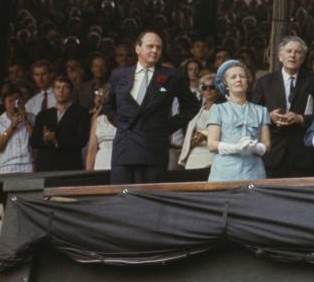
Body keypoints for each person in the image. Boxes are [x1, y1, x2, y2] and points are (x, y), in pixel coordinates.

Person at [102, 30, 200, 184]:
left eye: (159, 48)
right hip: (124, 147)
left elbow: (192, 106)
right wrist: (121, 123)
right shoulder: (120, 74)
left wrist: (167, 127)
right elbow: (108, 106)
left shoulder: (171, 76)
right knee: (120, 200)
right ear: (138, 49)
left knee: (150, 201)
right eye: (150, 46)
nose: (155, 50)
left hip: (154, 148)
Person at [250, 35, 314, 178]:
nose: (293, 55)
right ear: (280, 56)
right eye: (289, 51)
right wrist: (269, 117)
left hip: (303, 154)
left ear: (303, 58)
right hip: (273, 153)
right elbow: (252, 114)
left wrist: (300, 118)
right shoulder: (264, 82)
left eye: (297, 52)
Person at [206, 60, 270, 182]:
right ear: (226, 84)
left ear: (248, 81)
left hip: (254, 174)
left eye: (242, 76)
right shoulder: (218, 109)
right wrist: (236, 148)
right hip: (224, 175)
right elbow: (212, 144)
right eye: (233, 77)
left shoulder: (261, 110)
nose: (238, 80)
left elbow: (266, 145)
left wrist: (254, 147)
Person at [29, 76, 87, 171]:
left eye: (65, 87)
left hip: (69, 167)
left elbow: (81, 140)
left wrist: (56, 140)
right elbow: (34, 141)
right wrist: (45, 138)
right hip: (45, 167)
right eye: (58, 87)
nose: (61, 91)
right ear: (53, 91)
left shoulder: (81, 113)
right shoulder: (43, 115)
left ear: (71, 91)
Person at [0, 84, 34, 174]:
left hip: (28, 165)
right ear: (4, 103)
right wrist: (11, 127)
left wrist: (26, 120)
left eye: (16, 100)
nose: (14, 104)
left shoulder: (32, 117)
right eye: (10, 101)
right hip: (6, 167)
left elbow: (36, 140)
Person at [178, 73, 218, 171]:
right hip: (194, 157)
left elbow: (229, 132)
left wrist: (205, 135)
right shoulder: (199, 112)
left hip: (213, 156)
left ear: (219, 90)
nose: (208, 90)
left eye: (212, 87)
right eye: (204, 87)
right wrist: (191, 142)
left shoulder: (225, 110)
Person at [85, 88, 116, 171]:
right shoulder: (98, 120)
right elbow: (92, 149)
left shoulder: (126, 119)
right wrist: (88, 174)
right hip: (101, 160)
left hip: (119, 159)